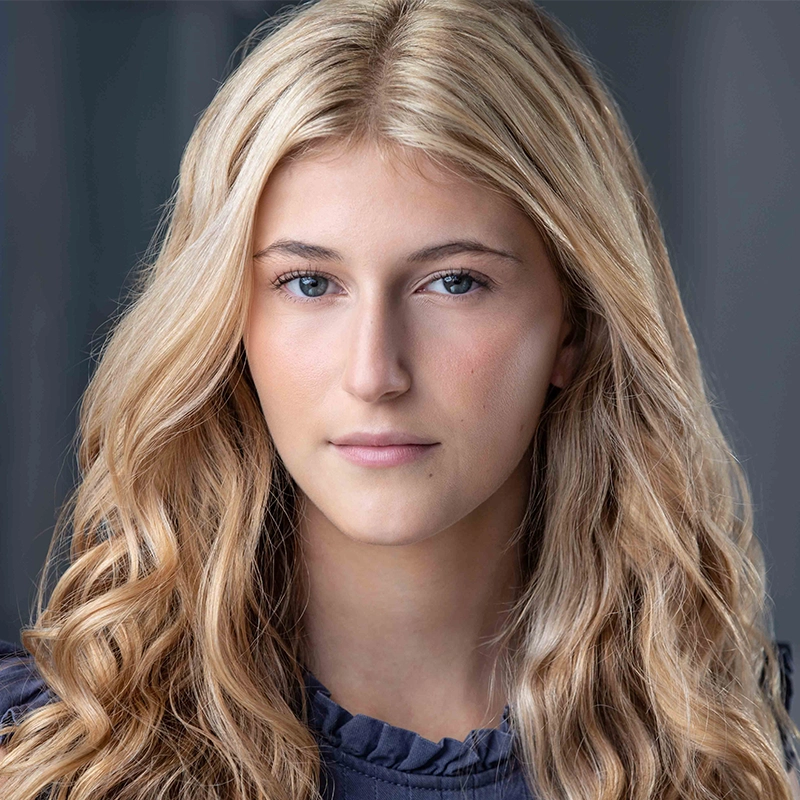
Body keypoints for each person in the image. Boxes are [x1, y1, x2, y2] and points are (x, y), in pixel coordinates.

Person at [1, 0, 798, 798]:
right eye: (309, 283)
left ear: (574, 326)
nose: (374, 371)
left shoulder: (761, 753)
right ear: (226, 321)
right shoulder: (49, 758)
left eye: (454, 282)